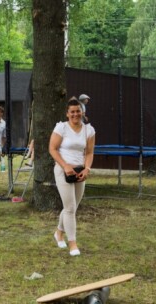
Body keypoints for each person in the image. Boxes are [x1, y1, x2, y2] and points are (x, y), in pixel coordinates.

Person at [49, 97, 95, 256]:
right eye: (72, 112)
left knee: (72, 208)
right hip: (63, 171)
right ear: (67, 114)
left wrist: (87, 169)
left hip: (80, 171)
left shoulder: (89, 130)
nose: (75, 114)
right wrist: (65, 165)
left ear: (82, 112)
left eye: (78, 111)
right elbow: (52, 149)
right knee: (69, 208)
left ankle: (58, 233)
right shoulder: (61, 128)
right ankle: (73, 244)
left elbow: (89, 152)